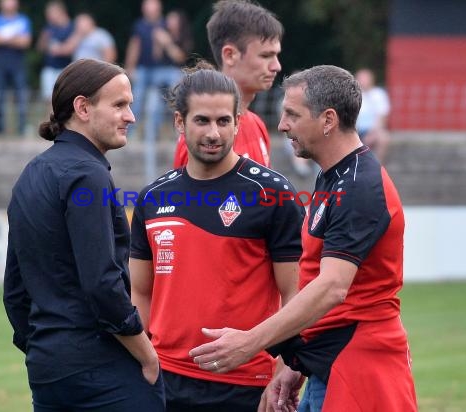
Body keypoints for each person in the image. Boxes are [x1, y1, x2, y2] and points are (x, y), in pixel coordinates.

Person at [189, 65, 418, 412]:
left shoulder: (359, 186)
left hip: (359, 372)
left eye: (292, 114)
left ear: (327, 120)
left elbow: (332, 288)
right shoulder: (335, 176)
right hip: (329, 365)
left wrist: (250, 342)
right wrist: (295, 363)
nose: (282, 125)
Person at [129, 63, 304, 412]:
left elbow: (296, 292)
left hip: (246, 383)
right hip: (165, 382)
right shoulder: (153, 198)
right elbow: (140, 291)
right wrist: (142, 363)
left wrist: (284, 369)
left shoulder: (273, 193)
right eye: (202, 121)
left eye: (224, 121)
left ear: (239, 122)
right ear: (180, 122)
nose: (214, 133)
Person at [3, 59, 165, 411]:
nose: (131, 117)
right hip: (101, 368)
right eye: (120, 104)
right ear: (83, 107)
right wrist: (147, 354)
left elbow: (15, 292)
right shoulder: (86, 174)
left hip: (48, 369)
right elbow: (102, 283)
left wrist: (47, 348)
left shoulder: (30, 175)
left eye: (131, 105)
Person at [173, 0, 283, 168]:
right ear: (230, 55)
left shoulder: (257, 124)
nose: (276, 66)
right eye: (266, 56)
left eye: (276, 56)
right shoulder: (200, 140)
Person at [124, 0, 189, 139]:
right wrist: (129, 69)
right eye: (147, 6)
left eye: (152, 6)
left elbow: (177, 56)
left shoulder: (165, 24)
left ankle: (181, 118)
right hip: (143, 69)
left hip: (161, 70)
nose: (150, 9)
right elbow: (134, 47)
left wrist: (164, 42)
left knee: (173, 81)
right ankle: (129, 133)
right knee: (136, 97)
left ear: (159, 8)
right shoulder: (139, 25)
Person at [0, 0, 31, 135]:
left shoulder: (23, 20)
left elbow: (25, 42)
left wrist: (2, 37)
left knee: (21, 96)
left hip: (18, 64)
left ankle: (22, 127)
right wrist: (14, 38)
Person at [36, 1, 74, 105]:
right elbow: (40, 48)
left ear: (60, 12)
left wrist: (59, 49)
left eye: (50, 14)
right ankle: (51, 121)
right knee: (49, 100)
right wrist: (44, 38)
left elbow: (70, 49)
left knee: (64, 100)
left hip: (65, 69)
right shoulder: (49, 28)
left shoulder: (72, 27)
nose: (48, 17)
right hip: (49, 68)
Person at [355, 68, 391, 163]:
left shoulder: (379, 94)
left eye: (365, 79)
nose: (363, 81)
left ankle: (377, 167)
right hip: (354, 130)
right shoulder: (352, 95)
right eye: (361, 79)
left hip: (373, 130)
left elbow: (382, 117)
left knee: (383, 138)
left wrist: (372, 133)